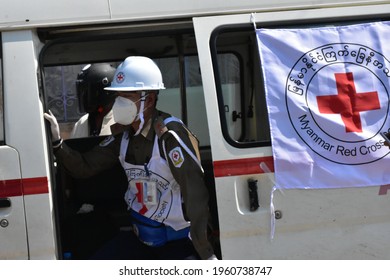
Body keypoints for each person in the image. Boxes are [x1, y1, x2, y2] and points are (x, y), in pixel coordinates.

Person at [44, 56, 217, 260]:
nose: (119, 102)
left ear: (149, 100)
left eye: (127, 95)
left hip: (176, 244)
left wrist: (205, 251)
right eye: (117, 96)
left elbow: (195, 192)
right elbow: (85, 167)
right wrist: (58, 144)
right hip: (139, 240)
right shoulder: (123, 137)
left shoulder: (170, 137)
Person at [71, 63, 116, 138]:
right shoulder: (81, 123)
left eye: (88, 92)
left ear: (104, 93)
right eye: (82, 91)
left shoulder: (120, 121)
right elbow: (71, 149)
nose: (83, 96)